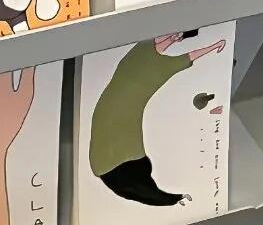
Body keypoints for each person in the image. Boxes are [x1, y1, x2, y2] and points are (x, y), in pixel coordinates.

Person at [88, 31, 226, 206]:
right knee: (125, 164)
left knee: (131, 170)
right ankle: (170, 198)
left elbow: (187, 53)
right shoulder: (142, 53)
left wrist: (214, 46)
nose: (174, 38)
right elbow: (161, 41)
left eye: (179, 36)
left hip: (122, 157)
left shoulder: (162, 63)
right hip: (116, 154)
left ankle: (170, 198)